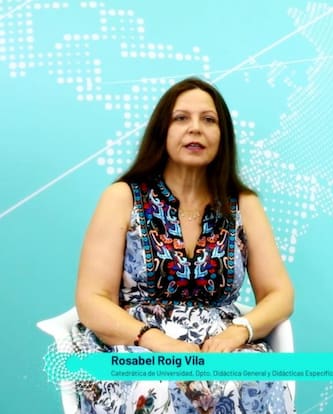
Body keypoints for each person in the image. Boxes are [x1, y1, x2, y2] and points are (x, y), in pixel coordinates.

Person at [72, 77, 295, 413]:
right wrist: (159, 342)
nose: (195, 129)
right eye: (181, 118)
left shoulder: (243, 204)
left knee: (254, 376)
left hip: (219, 346)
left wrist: (238, 332)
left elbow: (280, 294)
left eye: (209, 120)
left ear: (223, 136)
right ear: (162, 131)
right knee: (167, 386)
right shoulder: (122, 197)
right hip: (136, 344)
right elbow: (92, 300)